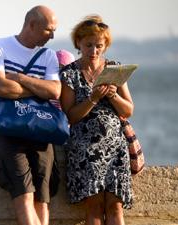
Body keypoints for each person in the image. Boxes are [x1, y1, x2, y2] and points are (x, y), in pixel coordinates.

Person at [0, 5, 60, 225]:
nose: (53, 36)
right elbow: (1, 88)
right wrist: (38, 90)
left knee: (42, 199)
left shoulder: (49, 56)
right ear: (32, 25)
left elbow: (54, 91)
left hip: (41, 132)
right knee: (24, 194)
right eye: (48, 30)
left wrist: (20, 78)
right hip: (5, 131)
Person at [59, 15, 134, 225]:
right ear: (78, 44)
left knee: (115, 207)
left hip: (115, 148)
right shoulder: (70, 73)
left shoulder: (115, 69)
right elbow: (70, 115)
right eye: (88, 45)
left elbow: (128, 110)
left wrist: (113, 95)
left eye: (99, 46)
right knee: (94, 207)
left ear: (106, 46)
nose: (94, 51)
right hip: (85, 149)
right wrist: (92, 99)